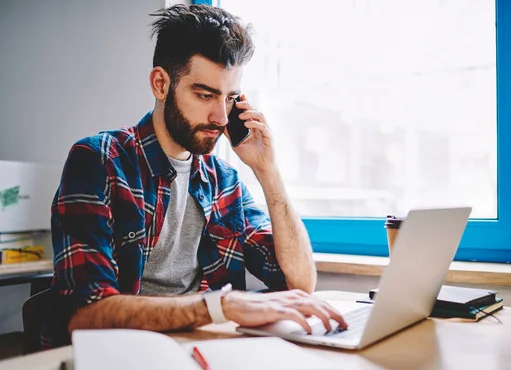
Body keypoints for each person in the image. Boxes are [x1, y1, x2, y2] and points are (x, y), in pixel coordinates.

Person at [40, 4, 346, 349]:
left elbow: (299, 283)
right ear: (160, 84)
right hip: (120, 353)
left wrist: (267, 172)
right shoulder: (99, 160)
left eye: (230, 98)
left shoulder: (224, 180)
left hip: (203, 347)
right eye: (205, 95)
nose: (219, 116)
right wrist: (219, 306)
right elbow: (86, 313)